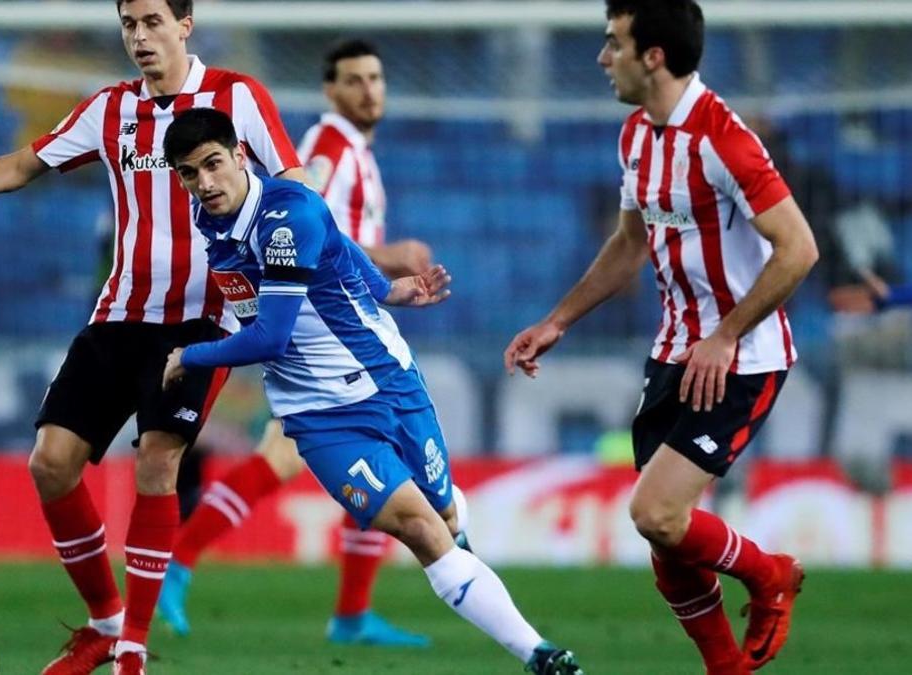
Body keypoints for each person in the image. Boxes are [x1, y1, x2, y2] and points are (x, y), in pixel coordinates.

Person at [0, 1, 305, 673]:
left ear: (185, 24)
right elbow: (24, 164)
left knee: (157, 461)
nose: (141, 37)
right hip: (118, 314)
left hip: (201, 317)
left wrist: (292, 253)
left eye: (153, 21)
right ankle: (105, 622)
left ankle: (131, 652)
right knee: (50, 462)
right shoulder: (110, 109)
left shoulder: (237, 96)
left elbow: (294, 180)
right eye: (129, 24)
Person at [161, 106, 583, 675]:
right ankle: (541, 655)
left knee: (447, 519)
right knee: (420, 528)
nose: (204, 183)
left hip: (390, 380)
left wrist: (192, 356)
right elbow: (335, 248)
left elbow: (271, 334)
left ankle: (445, 596)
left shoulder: (287, 217)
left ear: (241, 155)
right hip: (319, 416)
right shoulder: (211, 217)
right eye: (189, 173)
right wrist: (386, 288)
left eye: (213, 164)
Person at [503, 2, 818, 674]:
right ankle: (726, 669)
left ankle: (769, 574)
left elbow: (798, 248)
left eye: (613, 43)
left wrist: (728, 335)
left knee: (656, 512)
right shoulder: (635, 136)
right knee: (668, 552)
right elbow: (629, 244)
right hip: (674, 351)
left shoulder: (723, 138)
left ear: (653, 56)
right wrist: (557, 319)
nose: (600, 57)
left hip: (739, 358)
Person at [156, 39, 435, 648]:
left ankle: (351, 611)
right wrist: (388, 264)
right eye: (355, 80)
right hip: (312, 335)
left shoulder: (355, 149)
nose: (370, 91)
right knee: (295, 457)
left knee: (336, 462)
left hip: (338, 331)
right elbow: (313, 231)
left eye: (377, 78)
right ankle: (179, 563)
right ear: (330, 90)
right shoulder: (330, 149)